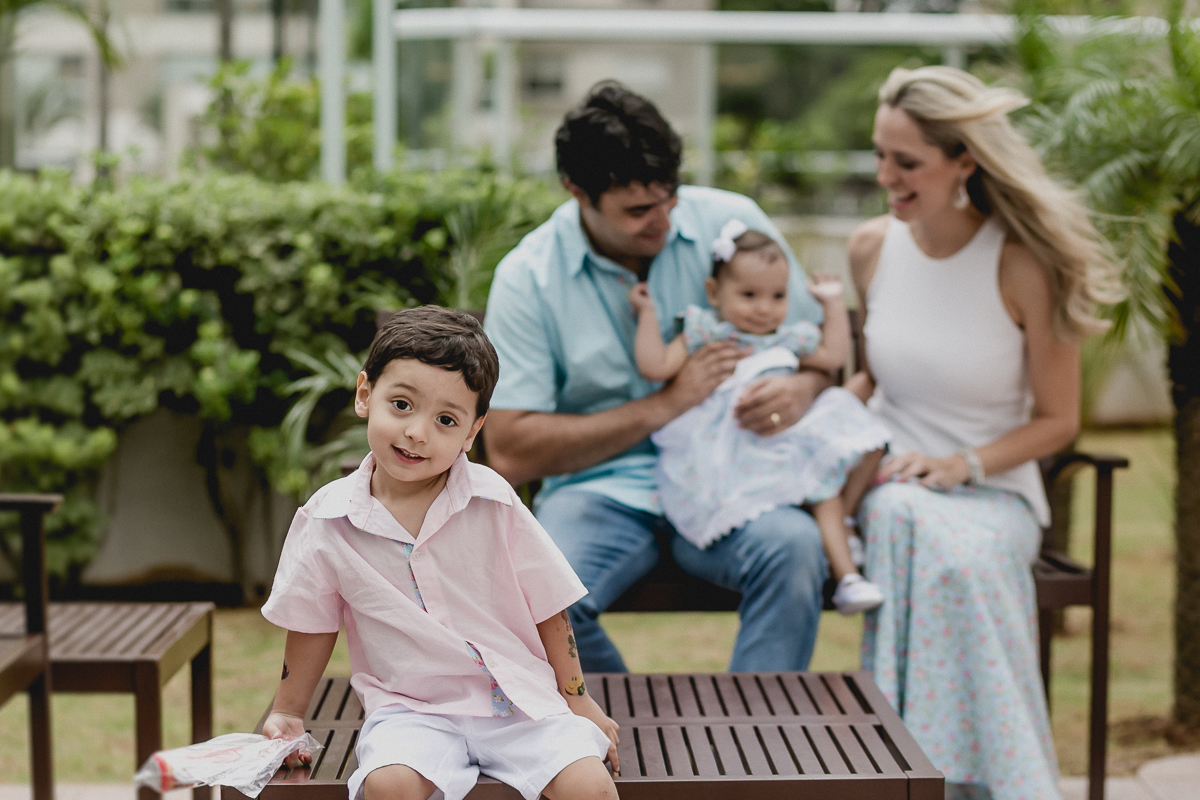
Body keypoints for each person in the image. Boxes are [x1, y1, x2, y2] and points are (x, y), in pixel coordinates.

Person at [482, 81, 832, 673]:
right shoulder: (527, 277)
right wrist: (667, 403)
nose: (664, 222)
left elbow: (821, 357)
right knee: (532, 595)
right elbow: (511, 450)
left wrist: (803, 388)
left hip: (733, 479)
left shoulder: (734, 224)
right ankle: (625, 745)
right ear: (576, 192)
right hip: (602, 492)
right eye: (639, 211)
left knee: (796, 549)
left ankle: (754, 749)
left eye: (669, 198)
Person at [846, 66, 1121, 800]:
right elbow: (871, 375)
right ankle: (941, 777)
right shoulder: (873, 248)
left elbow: (1059, 421)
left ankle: (969, 776)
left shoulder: (1024, 264)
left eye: (907, 163)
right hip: (891, 479)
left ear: (964, 161)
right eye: (880, 155)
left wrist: (960, 464)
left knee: (958, 560)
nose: (886, 176)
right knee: (906, 518)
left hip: (993, 492)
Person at [259, 306, 620, 800]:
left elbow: (548, 604)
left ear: (472, 432)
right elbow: (310, 620)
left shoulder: (493, 502)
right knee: (388, 787)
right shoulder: (328, 520)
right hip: (411, 710)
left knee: (590, 785)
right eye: (402, 405)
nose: (417, 432)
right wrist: (288, 711)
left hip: (519, 705)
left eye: (446, 420)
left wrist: (578, 701)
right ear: (365, 394)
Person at [628, 220, 889, 615]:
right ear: (715, 293)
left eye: (778, 295)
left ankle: (847, 556)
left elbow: (834, 358)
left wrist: (833, 305)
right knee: (818, 490)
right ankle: (847, 566)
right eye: (749, 295)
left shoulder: (786, 337)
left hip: (782, 439)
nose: (765, 308)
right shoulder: (706, 333)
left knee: (859, 434)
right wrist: (647, 314)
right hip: (729, 448)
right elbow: (655, 366)